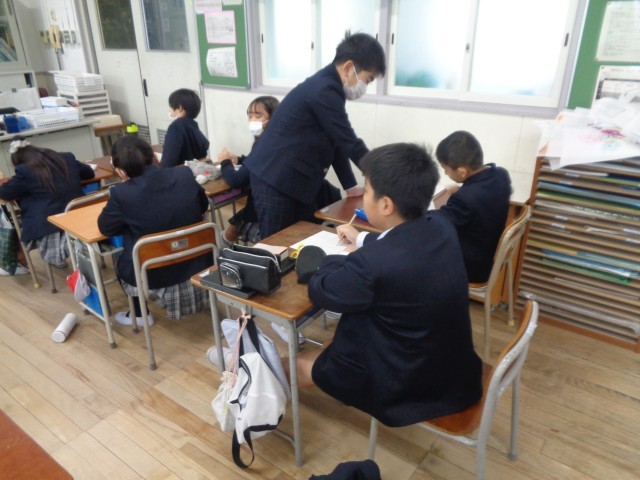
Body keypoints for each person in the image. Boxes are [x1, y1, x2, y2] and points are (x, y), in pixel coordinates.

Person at [294, 142, 483, 428]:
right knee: (337, 341)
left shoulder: (372, 265)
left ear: (385, 204)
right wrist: (360, 239)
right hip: (453, 370)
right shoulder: (440, 224)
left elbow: (322, 290)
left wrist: (334, 258)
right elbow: (399, 243)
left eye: (366, 190)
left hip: (405, 386)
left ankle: (249, 388)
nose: (363, 197)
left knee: (295, 365)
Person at [243, 31, 386, 238]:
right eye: (368, 79)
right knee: (275, 243)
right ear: (349, 67)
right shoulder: (324, 89)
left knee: (301, 237)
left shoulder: (329, 86)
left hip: (294, 179)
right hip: (275, 177)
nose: (365, 86)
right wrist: (381, 176)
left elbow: (336, 141)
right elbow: (347, 140)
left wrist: (351, 186)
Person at [98, 136, 210, 326]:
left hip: (155, 274)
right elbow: (202, 206)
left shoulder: (121, 193)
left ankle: (140, 314)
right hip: (200, 261)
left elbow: (106, 228)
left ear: (120, 171)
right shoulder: (184, 174)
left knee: (122, 248)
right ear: (155, 158)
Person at [0, 139, 95, 270]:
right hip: (79, 216)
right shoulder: (66, 157)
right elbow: (89, 173)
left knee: (28, 206)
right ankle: (74, 246)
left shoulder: (24, 171)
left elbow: (4, 193)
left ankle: (61, 251)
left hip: (51, 223)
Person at [435, 130, 512, 283]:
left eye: (446, 169)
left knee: (421, 248)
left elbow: (440, 221)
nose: (445, 173)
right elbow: (481, 196)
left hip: (471, 267)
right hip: (487, 254)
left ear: (462, 172)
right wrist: (462, 190)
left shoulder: (464, 199)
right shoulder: (500, 175)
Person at [217, 95, 280, 246]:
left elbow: (236, 180)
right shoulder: (276, 139)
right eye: (250, 116)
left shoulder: (265, 143)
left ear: (273, 118)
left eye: (258, 116)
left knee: (239, 220)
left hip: (265, 214)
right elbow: (256, 161)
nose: (252, 120)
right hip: (271, 208)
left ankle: (220, 248)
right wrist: (238, 160)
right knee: (237, 220)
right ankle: (222, 244)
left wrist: (225, 162)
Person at [160, 88, 210, 168]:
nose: (169, 110)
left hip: (180, 173)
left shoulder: (175, 127)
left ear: (180, 108)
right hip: (196, 172)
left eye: (171, 106)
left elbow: (167, 163)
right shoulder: (194, 126)